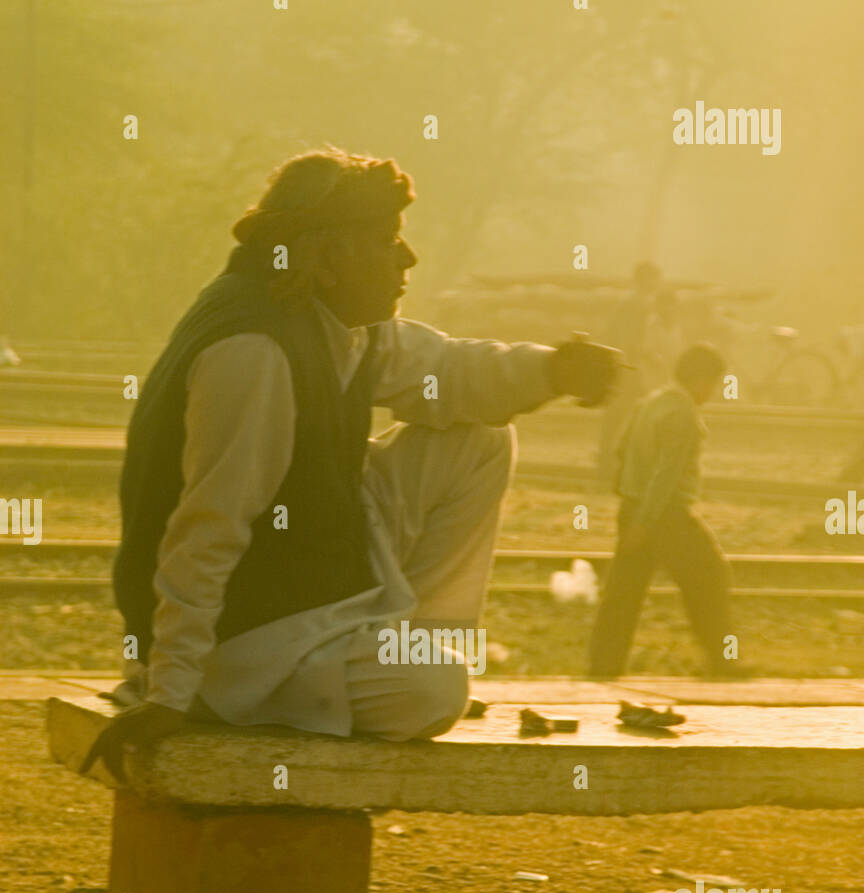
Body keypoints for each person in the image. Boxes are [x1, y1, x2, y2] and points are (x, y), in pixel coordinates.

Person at [83, 147, 620, 779]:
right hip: (238, 640)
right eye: (389, 241)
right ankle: (257, 688)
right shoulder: (253, 351)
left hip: (300, 597)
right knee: (434, 693)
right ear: (331, 256)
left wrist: (552, 370)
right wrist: (169, 687)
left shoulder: (334, 320)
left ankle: (394, 643)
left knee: (478, 441)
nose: (407, 258)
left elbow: (445, 370)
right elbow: (208, 527)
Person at [587, 342, 734, 680]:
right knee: (710, 576)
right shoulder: (682, 414)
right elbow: (665, 475)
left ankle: (603, 665)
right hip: (667, 516)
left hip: (634, 507)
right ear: (700, 379)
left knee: (623, 592)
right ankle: (723, 661)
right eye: (713, 383)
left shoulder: (650, 403)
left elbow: (621, 450)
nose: (712, 392)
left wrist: (630, 504)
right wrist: (646, 521)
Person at [596, 261, 663, 482]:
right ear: (643, 279)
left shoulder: (637, 302)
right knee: (621, 419)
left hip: (626, 368)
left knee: (623, 419)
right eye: (654, 278)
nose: (657, 283)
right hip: (627, 370)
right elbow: (629, 341)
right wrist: (648, 361)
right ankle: (611, 469)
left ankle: (613, 468)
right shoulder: (635, 304)